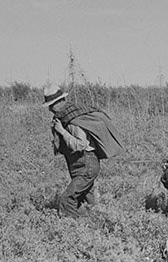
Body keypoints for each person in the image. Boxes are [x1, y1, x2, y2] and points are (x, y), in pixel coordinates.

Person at [44, 83, 123, 220]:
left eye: (51, 105)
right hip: (79, 166)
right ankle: (93, 224)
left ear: (60, 102)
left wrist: (62, 132)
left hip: (86, 164)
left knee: (67, 198)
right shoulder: (64, 118)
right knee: (87, 201)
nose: (50, 109)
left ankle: (69, 228)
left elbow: (80, 145)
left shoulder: (73, 121)